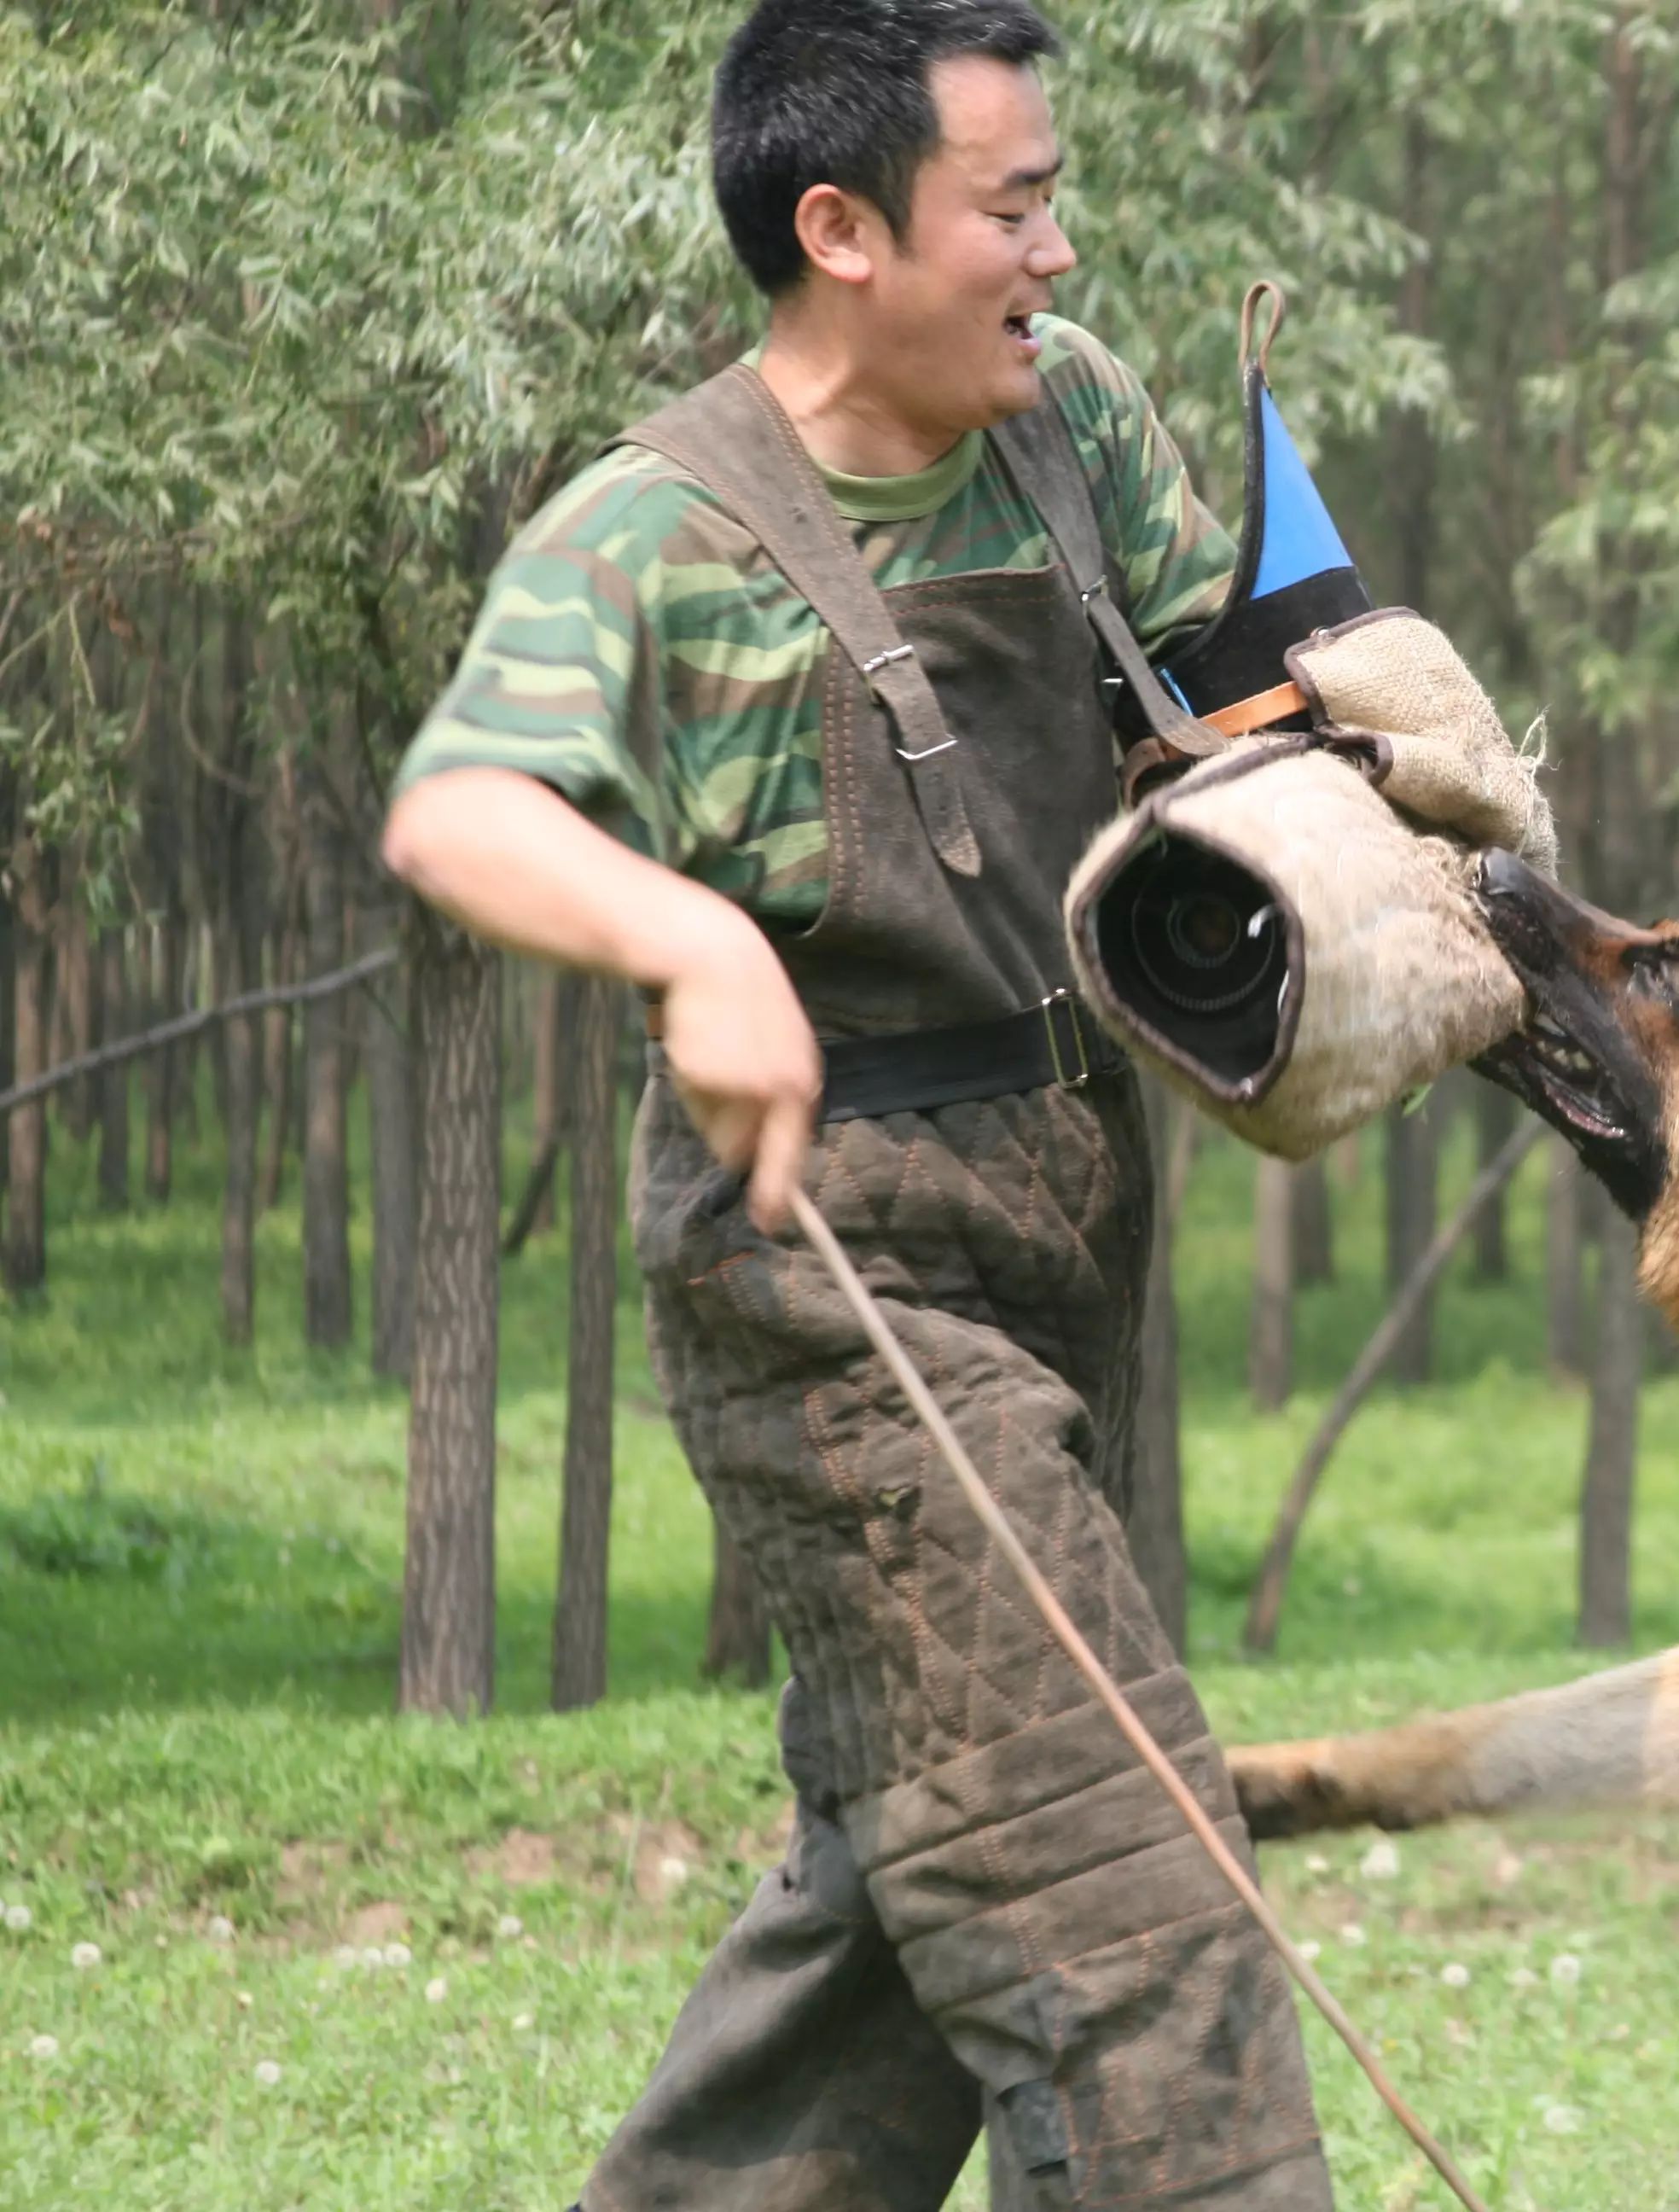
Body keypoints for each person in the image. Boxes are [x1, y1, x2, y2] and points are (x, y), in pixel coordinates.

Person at [381, 3, 1397, 2202]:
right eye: (1012, 207)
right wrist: (693, 941)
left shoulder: (1074, 425)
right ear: (841, 227)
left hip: (1069, 1227)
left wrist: (1337, 763)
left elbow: (1225, 684)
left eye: (1056, 200)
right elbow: (463, 813)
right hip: (825, 1273)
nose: (1056, 251)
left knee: (922, 1880)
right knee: (1124, 1897)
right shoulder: (650, 533)